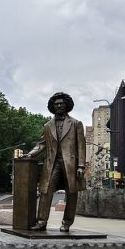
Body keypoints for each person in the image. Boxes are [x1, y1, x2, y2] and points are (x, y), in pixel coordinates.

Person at [25, 92, 86, 232]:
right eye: (56, 104)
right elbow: (41, 145)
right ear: (53, 106)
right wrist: (29, 155)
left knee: (71, 193)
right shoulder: (47, 126)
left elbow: (81, 146)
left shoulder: (76, 123)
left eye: (61, 103)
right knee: (45, 192)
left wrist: (81, 165)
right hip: (52, 164)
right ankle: (41, 221)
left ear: (67, 105)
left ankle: (67, 222)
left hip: (71, 164)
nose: (59, 106)